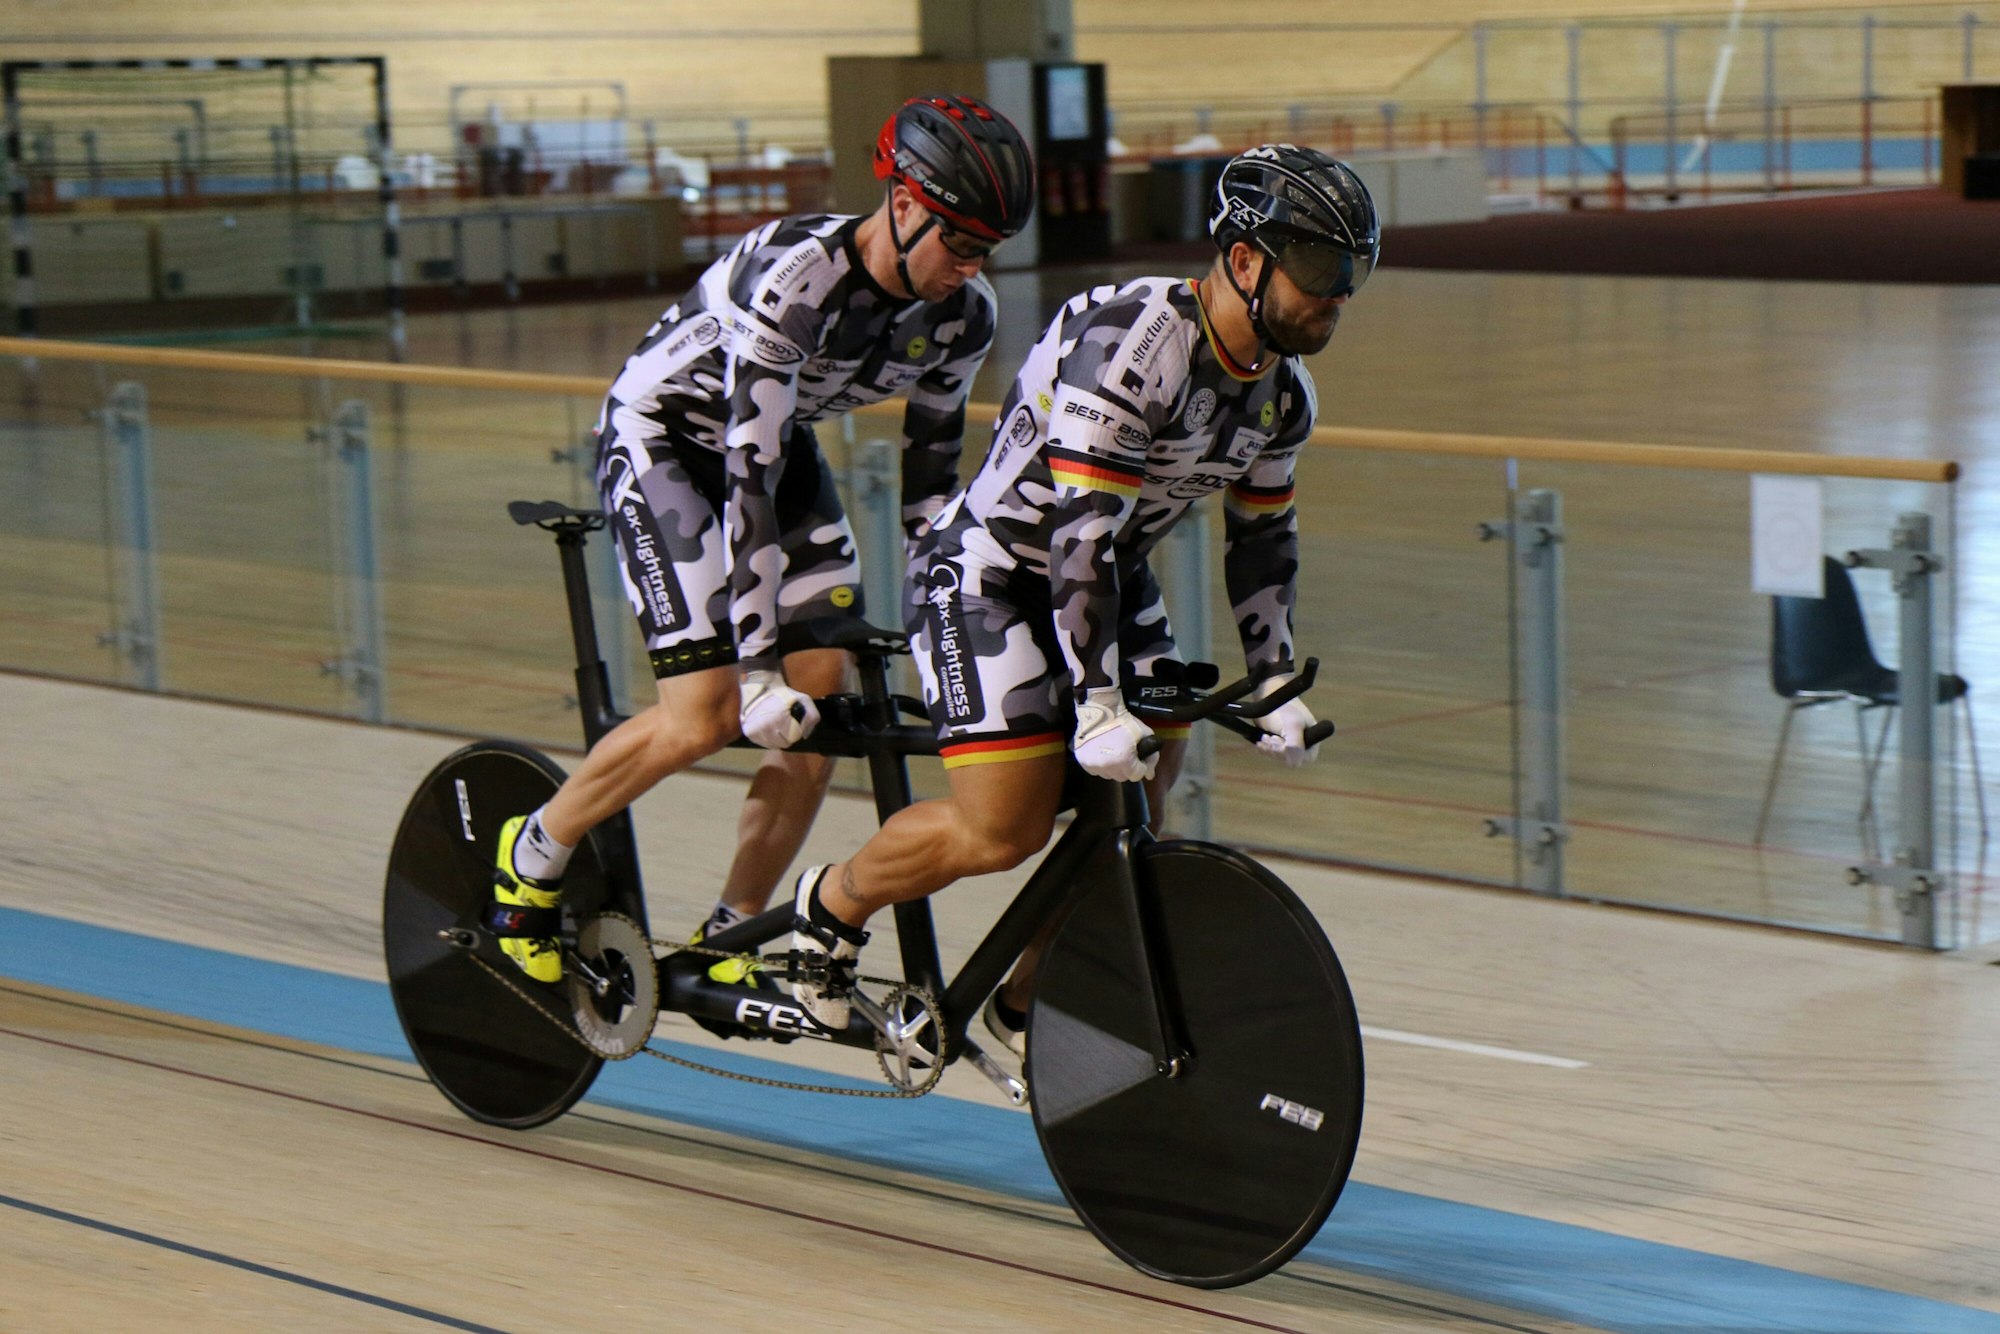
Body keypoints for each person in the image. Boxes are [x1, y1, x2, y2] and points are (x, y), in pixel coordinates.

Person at [777, 144, 1381, 1054]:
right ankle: (830, 903)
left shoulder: (1284, 398)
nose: (1338, 296)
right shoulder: (1131, 339)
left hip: (1109, 578)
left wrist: (1272, 678)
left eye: (1355, 273)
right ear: (1247, 260)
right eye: (1323, 271)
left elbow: (1262, 539)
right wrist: (1096, 703)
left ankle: (1025, 1008)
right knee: (1003, 827)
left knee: (1140, 799)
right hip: (993, 571)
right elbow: (1080, 532)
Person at [487, 95, 1035, 984]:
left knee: (816, 714)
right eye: (960, 243)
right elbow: (747, 477)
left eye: (987, 250)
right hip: (669, 436)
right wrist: (755, 670)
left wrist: (945, 632)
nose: (970, 267)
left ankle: (727, 935)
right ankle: (535, 852)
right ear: (902, 205)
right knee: (703, 714)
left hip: (777, 450)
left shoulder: (962, 315)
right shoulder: (798, 277)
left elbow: (930, 491)